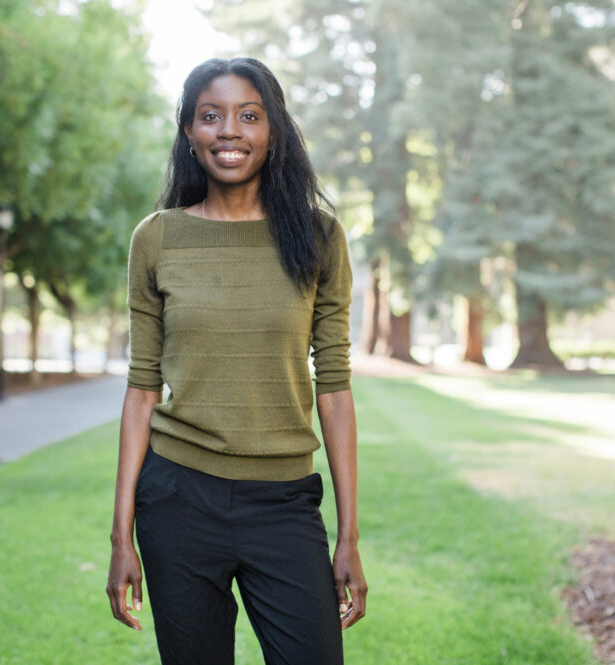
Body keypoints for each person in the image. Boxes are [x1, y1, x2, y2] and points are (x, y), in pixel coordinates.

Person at [106, 57, 367, 665]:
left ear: (273, 129)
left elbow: (334, 387)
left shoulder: (318, 236)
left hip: (283, 504)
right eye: (211, 116)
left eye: (249, 116)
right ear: (189, 133)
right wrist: (122, 538)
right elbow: (142, 391)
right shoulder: (158, 237)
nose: (230, 131)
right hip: (177, 501)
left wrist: (348, 535)